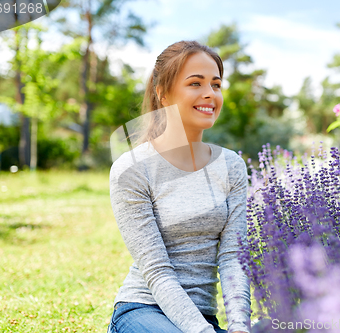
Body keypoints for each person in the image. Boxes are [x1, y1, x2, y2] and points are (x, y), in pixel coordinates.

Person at [107, 40, 251, 333]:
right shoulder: (131, 169)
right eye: (195, 83)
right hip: (143, 312)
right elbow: (157, 271)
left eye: (216, 84)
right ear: (162, 93)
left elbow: (233, 257)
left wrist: (239, 327)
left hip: (203, 319)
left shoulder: (232, 166)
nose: (209, 94)